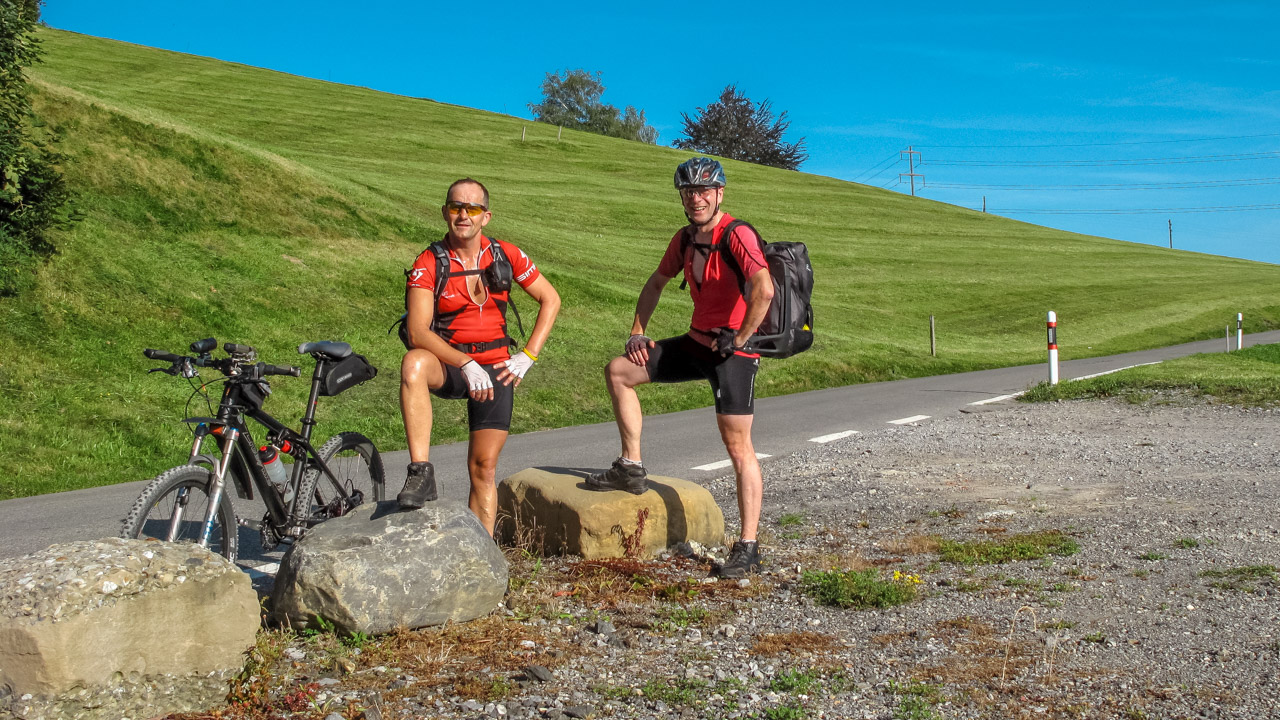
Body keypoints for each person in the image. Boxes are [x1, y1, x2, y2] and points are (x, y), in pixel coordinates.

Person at [587, 157, 774, 579]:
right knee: (619, 371)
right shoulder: (685, 238)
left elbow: (764, 289)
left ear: (719, 193)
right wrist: (637, 332)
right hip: (696, 342)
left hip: (732, 355)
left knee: (738, 447)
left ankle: (748, 546)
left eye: (703, 191)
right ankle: (631, 466)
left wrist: (740, 339)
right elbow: (656, 282)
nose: (695, 199)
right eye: (688, 192)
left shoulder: (737, 234)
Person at [397, 178, 561, 536]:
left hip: (497, 367)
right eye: (456, 207)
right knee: (413, 363)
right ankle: (421, 472)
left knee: (483, 469)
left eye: (472, 208)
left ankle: (482, 552)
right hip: (452, 365)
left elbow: (551, 299)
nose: (463, 215)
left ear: (486, 216)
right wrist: (465, 363)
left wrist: (528, 355)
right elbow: (417, 332)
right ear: (445, 212)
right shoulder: (429, 261)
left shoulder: (506, 254)